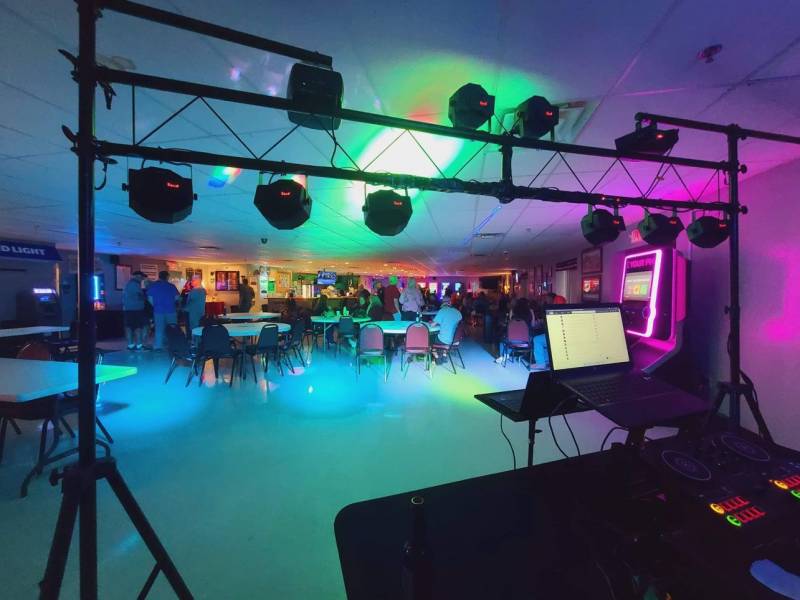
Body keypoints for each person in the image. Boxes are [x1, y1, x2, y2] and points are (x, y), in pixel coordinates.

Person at [147, 271, 180, 351]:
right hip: (171, 310)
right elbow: (177, 298)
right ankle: (173, 345)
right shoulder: (171, 286)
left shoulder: (153, 286)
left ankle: (158, 346)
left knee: (159, 329)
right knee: (172, 328)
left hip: (158, 311)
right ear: (167, 277)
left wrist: (156, 305)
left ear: (159, 276)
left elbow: (150, 299)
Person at [432, 289, 463, 357]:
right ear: (450, 303)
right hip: (456, 340)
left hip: (444, 340)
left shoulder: (442, 311)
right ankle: (444, 354)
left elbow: (432, 325)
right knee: (445, 334)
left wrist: (434, 322)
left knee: (432, 338)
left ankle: (437, 357)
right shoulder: (458, 312)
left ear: (442, 303)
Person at [122, 271, 147, 350]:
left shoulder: (128, 284)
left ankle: (130, 345)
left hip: (127, 309)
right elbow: (140, 296)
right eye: (142, 277)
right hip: (136, 309)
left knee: (129, 327)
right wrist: (145, 296)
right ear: (138, 276)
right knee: (138, 327)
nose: (142, 279)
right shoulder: (135, 284)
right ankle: (139, 345)